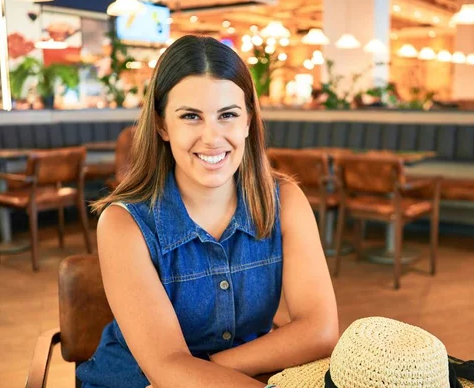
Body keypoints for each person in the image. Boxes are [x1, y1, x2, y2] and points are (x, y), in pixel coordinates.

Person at [75, 35, 338, 388]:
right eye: (191, 117)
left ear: (248, 121)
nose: (212, 137)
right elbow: (166, 367)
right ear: (162, 125)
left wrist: (211, 365)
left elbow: (320, 330)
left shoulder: (285, 201)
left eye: (227, 115)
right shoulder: (124, 223)